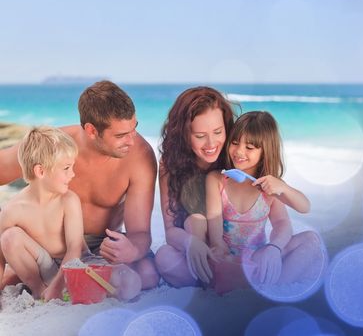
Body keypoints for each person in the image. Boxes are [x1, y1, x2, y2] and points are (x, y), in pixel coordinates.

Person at [0, 81, 158, 296]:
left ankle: (28, 278)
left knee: (147, 275)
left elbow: (140, 233)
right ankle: (36, 278)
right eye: (121, 136)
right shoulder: (55, 146)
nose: (132, 141)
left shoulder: (140, 157)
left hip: (98, 245)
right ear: (92, 130)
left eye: (134, 128)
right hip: (47, 242)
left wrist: (132, 249)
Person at [0, 127, 140, 301]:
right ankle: (39, 289)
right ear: (41, 171)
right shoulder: (12, 210)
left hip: (78, 264)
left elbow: (74, 249)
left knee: (131, 281)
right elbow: (2, 255)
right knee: (9, 237)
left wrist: (57, 287)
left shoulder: (68, 200)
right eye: (66, 168)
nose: (72, 174)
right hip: (46, 267)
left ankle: (61, 290)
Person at [202, 111, 321, 289]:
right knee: (219, 264)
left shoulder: (271, 186)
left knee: (311, 239)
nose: (239, 151)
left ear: (266, 151)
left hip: (258, 255)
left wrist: (274, 248)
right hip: (227, 257)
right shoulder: (217, 180)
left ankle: (276, 285)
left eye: (249, 148)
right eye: (235, 143)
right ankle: (263, 281)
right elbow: (214, 223)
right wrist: (219, 248)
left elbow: (299, 211)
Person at [154, 87, 235, 287]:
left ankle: (221, 277)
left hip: (231, 245)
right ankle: (216, 280)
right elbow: (171, 230)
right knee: (163, 256)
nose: (211, 143)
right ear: (183, 134)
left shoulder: (234, 155)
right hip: (196, 248)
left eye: (218, 132)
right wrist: (191, 243)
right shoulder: (169, 164)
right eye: (200, 136)